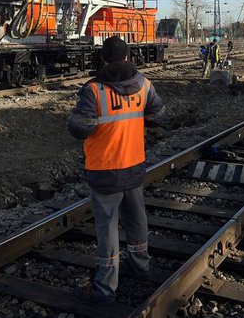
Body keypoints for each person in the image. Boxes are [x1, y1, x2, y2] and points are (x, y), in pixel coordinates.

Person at [67, 36, 166, 304]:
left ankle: (105, 288)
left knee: (107, 228)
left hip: (104, 170)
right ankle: (141, 267)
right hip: (134, 165)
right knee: (137, 219)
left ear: (103, 58)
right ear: (128, 57)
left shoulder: (94, 90)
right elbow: (158, 115)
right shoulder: (144, 85)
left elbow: (79, 127)